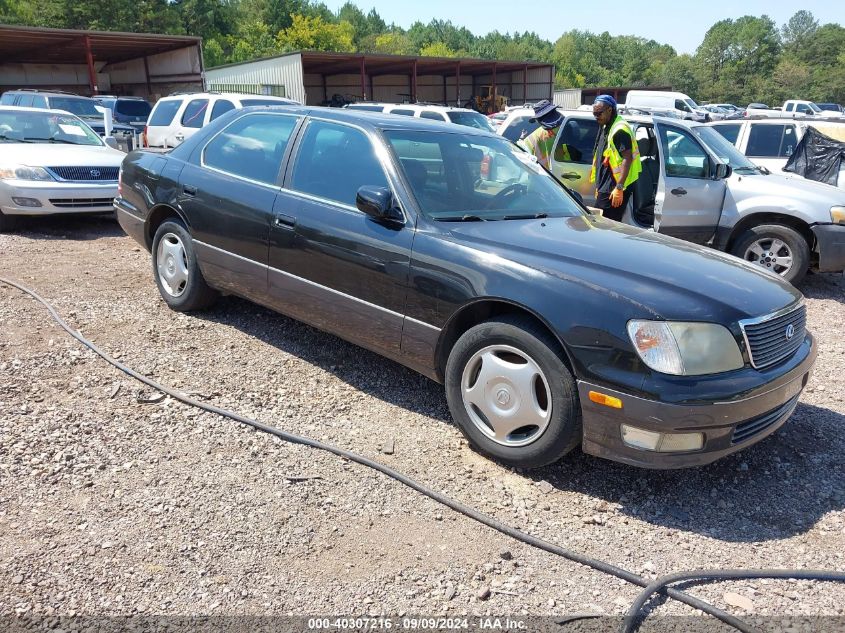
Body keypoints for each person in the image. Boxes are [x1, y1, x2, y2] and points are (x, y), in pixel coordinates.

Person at [590, 95, 641, 221]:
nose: (596, 116)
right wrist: (599, 185)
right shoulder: (606, 125)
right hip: (606, 186)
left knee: (605, 224)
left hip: (614, 187)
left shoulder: (619, 130)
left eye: (599, 113)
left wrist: (619, 188)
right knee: (604, 224)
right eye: (594, 113)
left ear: (609, 110)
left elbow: (627, 158)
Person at [518, 100, 568, 169]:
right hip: (564, 173)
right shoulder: (567, 128)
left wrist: (520, 140)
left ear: (538, 120)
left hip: (542, 177)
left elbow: (519, 153)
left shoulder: (534, 137)